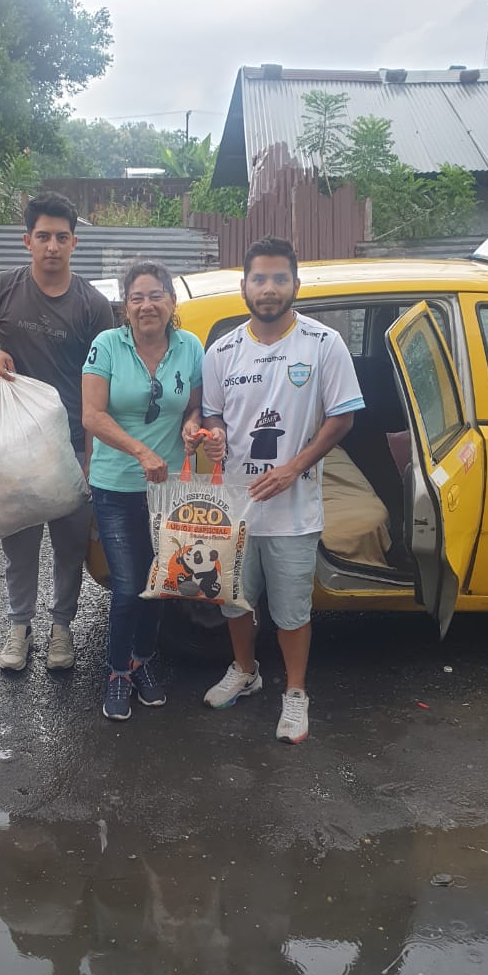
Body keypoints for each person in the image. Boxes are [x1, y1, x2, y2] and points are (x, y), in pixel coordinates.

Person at [200, 235, 364, 743]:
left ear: (295, 283)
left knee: (292, 611)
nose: (268, 288)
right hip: (235, 507)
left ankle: (295, 693)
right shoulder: (222, 351)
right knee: (234, 602)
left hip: (294, 510)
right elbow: (212, 414)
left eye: (278, 278)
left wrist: (294, 467)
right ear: (244, 286)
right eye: (259, 279)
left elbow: (343, 417)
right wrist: (214, 434)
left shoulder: (322, 344)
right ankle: (245, 671)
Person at [0, 191, 114, 673]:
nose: (53, 246)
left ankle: (62, 627)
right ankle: (18, 627)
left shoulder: (93, 305)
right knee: (19, 542)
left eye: (62, 237)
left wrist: (92, 457)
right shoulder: (2, 288)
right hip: (16, 446)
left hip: (70, 445)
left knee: (70, 546)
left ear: (75, 243)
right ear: (27, 240)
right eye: (44, 236)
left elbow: (102, 384)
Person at [82, 260, 205, 721]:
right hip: (116, 485)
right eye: (137, 297)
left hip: (168, 489)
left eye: (156, 296)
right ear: (125, 306)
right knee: (128, 586)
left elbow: (195, 407)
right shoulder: (107, 345)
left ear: (171, 302)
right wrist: (141, 452)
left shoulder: (190, 347)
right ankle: (117, 671)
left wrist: (192, 426)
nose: (147, 305)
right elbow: (92, 415)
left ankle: (141, 662)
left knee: (160, 585)